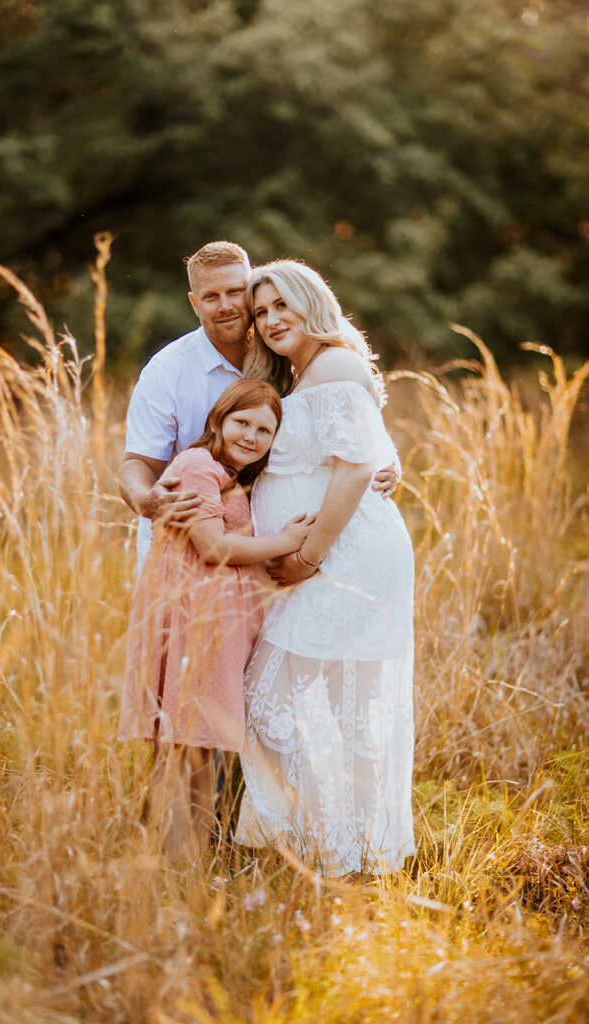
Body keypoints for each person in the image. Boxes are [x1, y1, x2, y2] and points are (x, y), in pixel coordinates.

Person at [234, 260, 415, 877]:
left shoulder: (333, 364)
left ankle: (335, 852)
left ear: (312, 303)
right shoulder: (307, 372)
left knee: (264, 701)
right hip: (336, 557)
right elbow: (373, 452)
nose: (271, 319)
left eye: (283, 305)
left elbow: (359, 468)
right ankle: (357, 853)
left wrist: (308, 557)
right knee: (348, 709)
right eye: (262, 312)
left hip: (343, 559)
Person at [118, 379, 315, 861]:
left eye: (263, 430)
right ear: (217, 421)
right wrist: (288, 543)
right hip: (192, 619)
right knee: (191, 742)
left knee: (195, 743)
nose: (250, 436)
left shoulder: (230, 475)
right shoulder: (197, 465)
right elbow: (213, 547)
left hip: (216, 621)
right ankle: (184, 859)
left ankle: (179, 856)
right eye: (241, 422)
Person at [118, 241, 398, 562]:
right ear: (195, 304)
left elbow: (350, 430)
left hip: (266, 556)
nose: (225, 306)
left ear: (250, 293)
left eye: (235, 292)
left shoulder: (283, 353)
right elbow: (137, 462)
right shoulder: (167, 371)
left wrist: (386, 464)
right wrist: (146, 500)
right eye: (211, 297)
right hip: (188, 556)